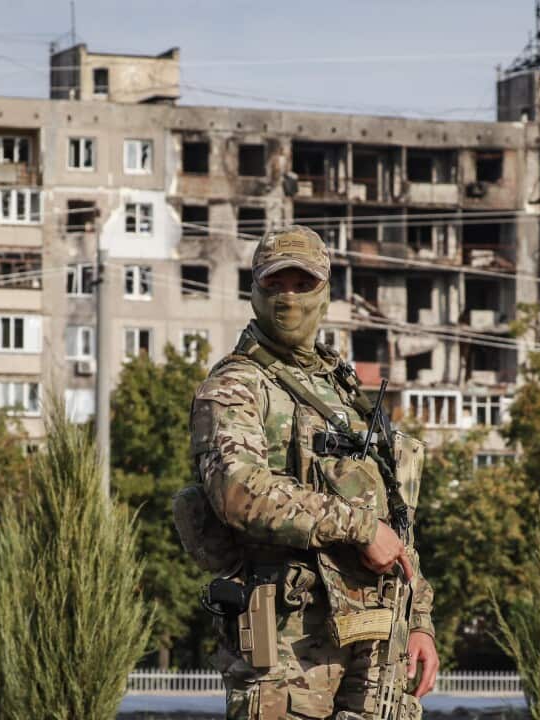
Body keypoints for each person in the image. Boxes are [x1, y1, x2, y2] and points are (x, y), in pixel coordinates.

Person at [186, 225, 438, 719]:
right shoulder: (237, 384)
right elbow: (238, 490)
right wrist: (359, 527)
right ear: (254, 291)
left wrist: (419, 619)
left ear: (324, 293)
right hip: (288, 643)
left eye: (302, 284)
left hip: (374, 635)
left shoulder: (342, 390)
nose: (289, 297)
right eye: (276, 284)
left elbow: (394, 514)